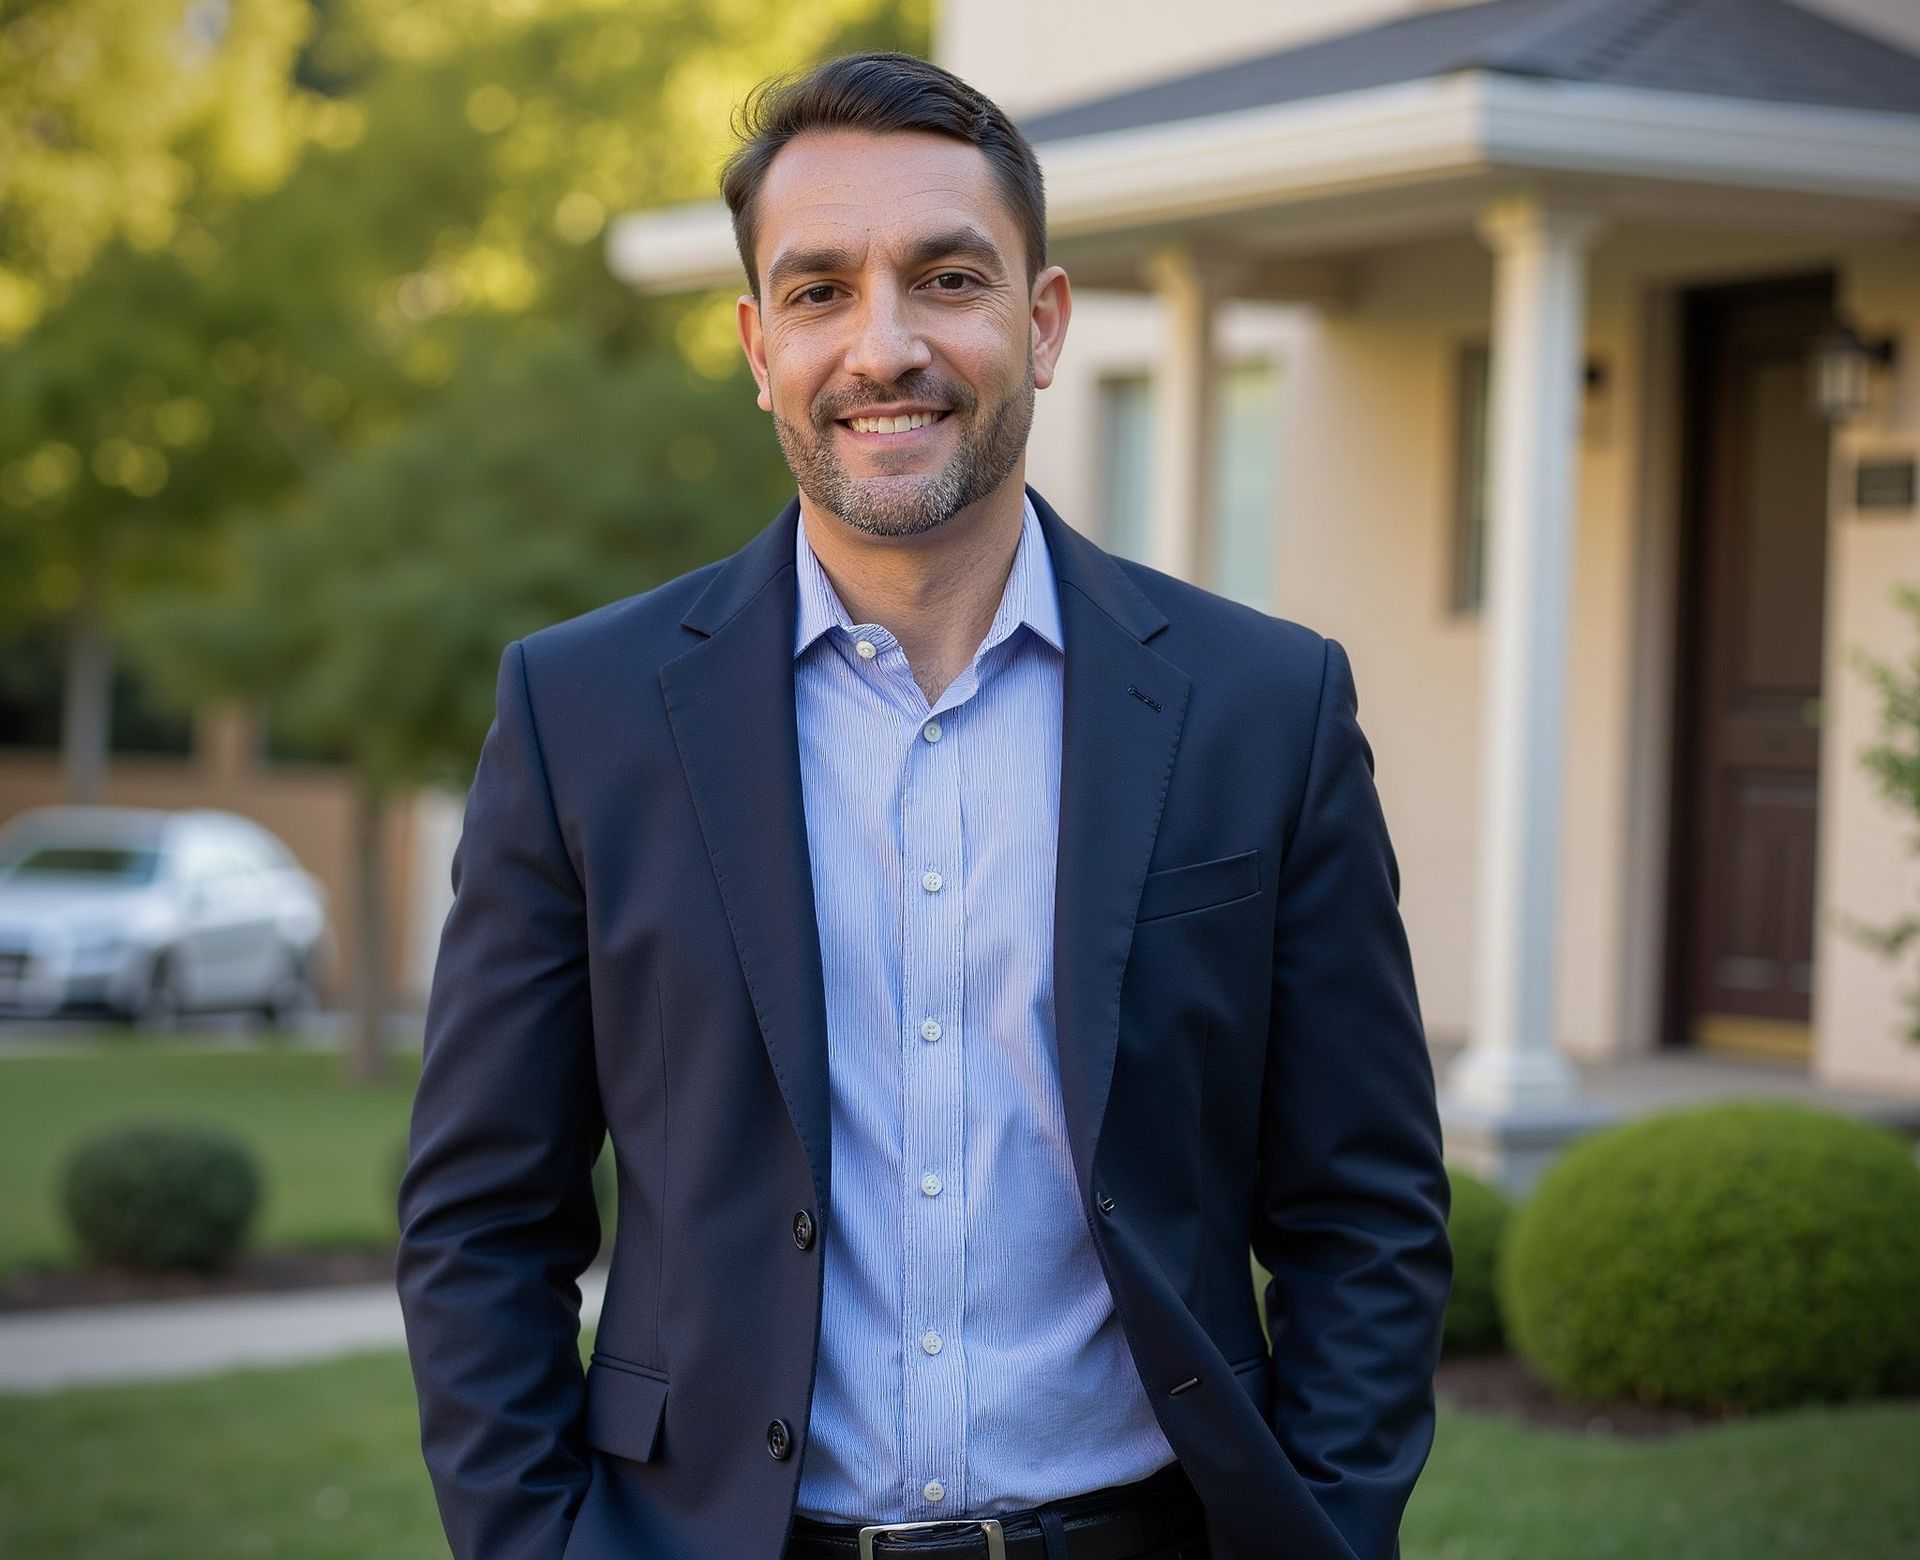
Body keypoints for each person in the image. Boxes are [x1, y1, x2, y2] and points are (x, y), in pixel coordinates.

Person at [397, 49, 1452, 1560]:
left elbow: (1368, 1211)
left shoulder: (1261, 707)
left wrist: (1326, 1537)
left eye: (947, 278)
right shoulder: (584, 714)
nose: (883, 345)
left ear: (1044, 322)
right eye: (820, 291)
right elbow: (482, 1223)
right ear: (758, 345)